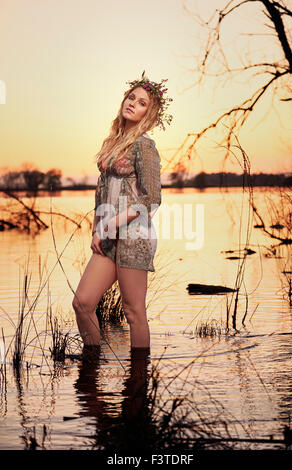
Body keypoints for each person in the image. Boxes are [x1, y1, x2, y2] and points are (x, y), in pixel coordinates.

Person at [72, 71, 173, 358]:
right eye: (131, 97)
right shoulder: (111, 143)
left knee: (133, 311)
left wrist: (113, 223)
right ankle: (92, 364)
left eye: (142, 103)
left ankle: (138, 383)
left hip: (134, 235)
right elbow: (101, 192)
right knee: (83, 303)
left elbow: (152, 198)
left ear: (148, 114)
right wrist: (96, 229)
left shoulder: (144, 145)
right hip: (107, 234)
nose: (133, 104)